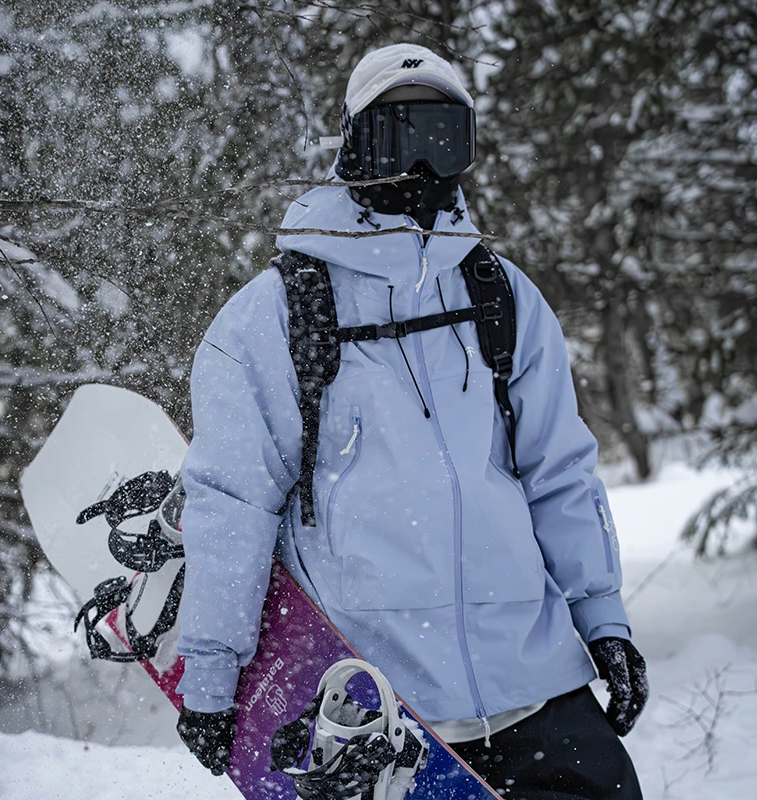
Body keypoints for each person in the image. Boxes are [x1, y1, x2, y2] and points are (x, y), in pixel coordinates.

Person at [175, 43, 647, 799]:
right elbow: (233, 503)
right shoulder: (272, 317)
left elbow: (560, 471)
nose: (422, 171)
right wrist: (210, 670)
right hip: (380, 702)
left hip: (531, 676)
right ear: (354, 144)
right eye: (400, 138)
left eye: (443, 141)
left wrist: (604, 622)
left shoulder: (503, 297)